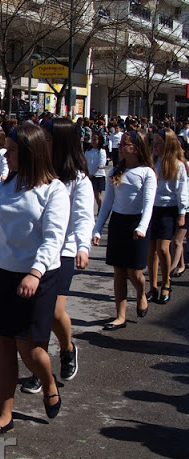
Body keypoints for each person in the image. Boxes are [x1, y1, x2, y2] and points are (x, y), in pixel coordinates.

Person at [0, 123, 70, 438]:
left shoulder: (54, 189)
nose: (6, 155)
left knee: (29, 350)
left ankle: (49, 381)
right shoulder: (2, 189)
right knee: (3, 343)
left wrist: (35, 271)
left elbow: (53, 238)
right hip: (3, 275)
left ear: (29, 153)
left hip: (37, 277)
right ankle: (4, 415)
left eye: (13, 150)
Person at [21, 118, 94, 395]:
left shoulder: (79, 180)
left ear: (62, 143)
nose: (44, 143)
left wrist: (83, 247)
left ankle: (68, 347)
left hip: (64, 251)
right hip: (36, 252)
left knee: (52, 311)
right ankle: (40, 369)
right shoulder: (39, 173)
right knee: (35, 314)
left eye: (49, 139)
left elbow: (83, 218)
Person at [92, 130, 157, 330]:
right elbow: (107, 204)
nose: (119, 147)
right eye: (120, 144)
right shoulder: (115, 172)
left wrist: (142, 227)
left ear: (135, 149)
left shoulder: (147, 173)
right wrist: (96, 229)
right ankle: (120, 315)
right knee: (119, 271)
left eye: (124, 144)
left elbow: (148, 204)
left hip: (137, 225)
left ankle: (140, 292)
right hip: (118, 223)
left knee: (134, 272)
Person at [145, 129, 188, 305]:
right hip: (152, 209)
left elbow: (182, 191)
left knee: (163, 248)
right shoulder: (152, 163)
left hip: (168, 209)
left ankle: (166, 282)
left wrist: (182, 213)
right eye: (153, 143)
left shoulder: (178, 165)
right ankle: (153, 286)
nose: (155, 147)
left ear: (167, 144)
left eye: (159, 143)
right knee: (152, 250)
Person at [85, 132, 107, 214]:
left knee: (97, 195)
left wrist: (101, 165)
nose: (93, 141)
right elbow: (85, 162)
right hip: (90, 176)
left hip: (98, 175)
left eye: (95, 139)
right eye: (92, 139)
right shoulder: (88, 151)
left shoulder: (101, 151)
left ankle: (101, 209)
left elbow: (102, 160)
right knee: (91, 194)